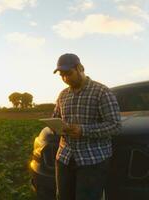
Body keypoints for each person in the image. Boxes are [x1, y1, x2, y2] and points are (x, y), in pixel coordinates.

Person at [51, 53, 122, 200]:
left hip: (93, 160)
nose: (65, 79)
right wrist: (54, 126)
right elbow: (56, 117)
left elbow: (115, 125)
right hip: (65, 157)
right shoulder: (63, 95)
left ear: (80, 68)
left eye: (68, 74)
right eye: (62, 75)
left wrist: (83, 130)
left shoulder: (102, 92)